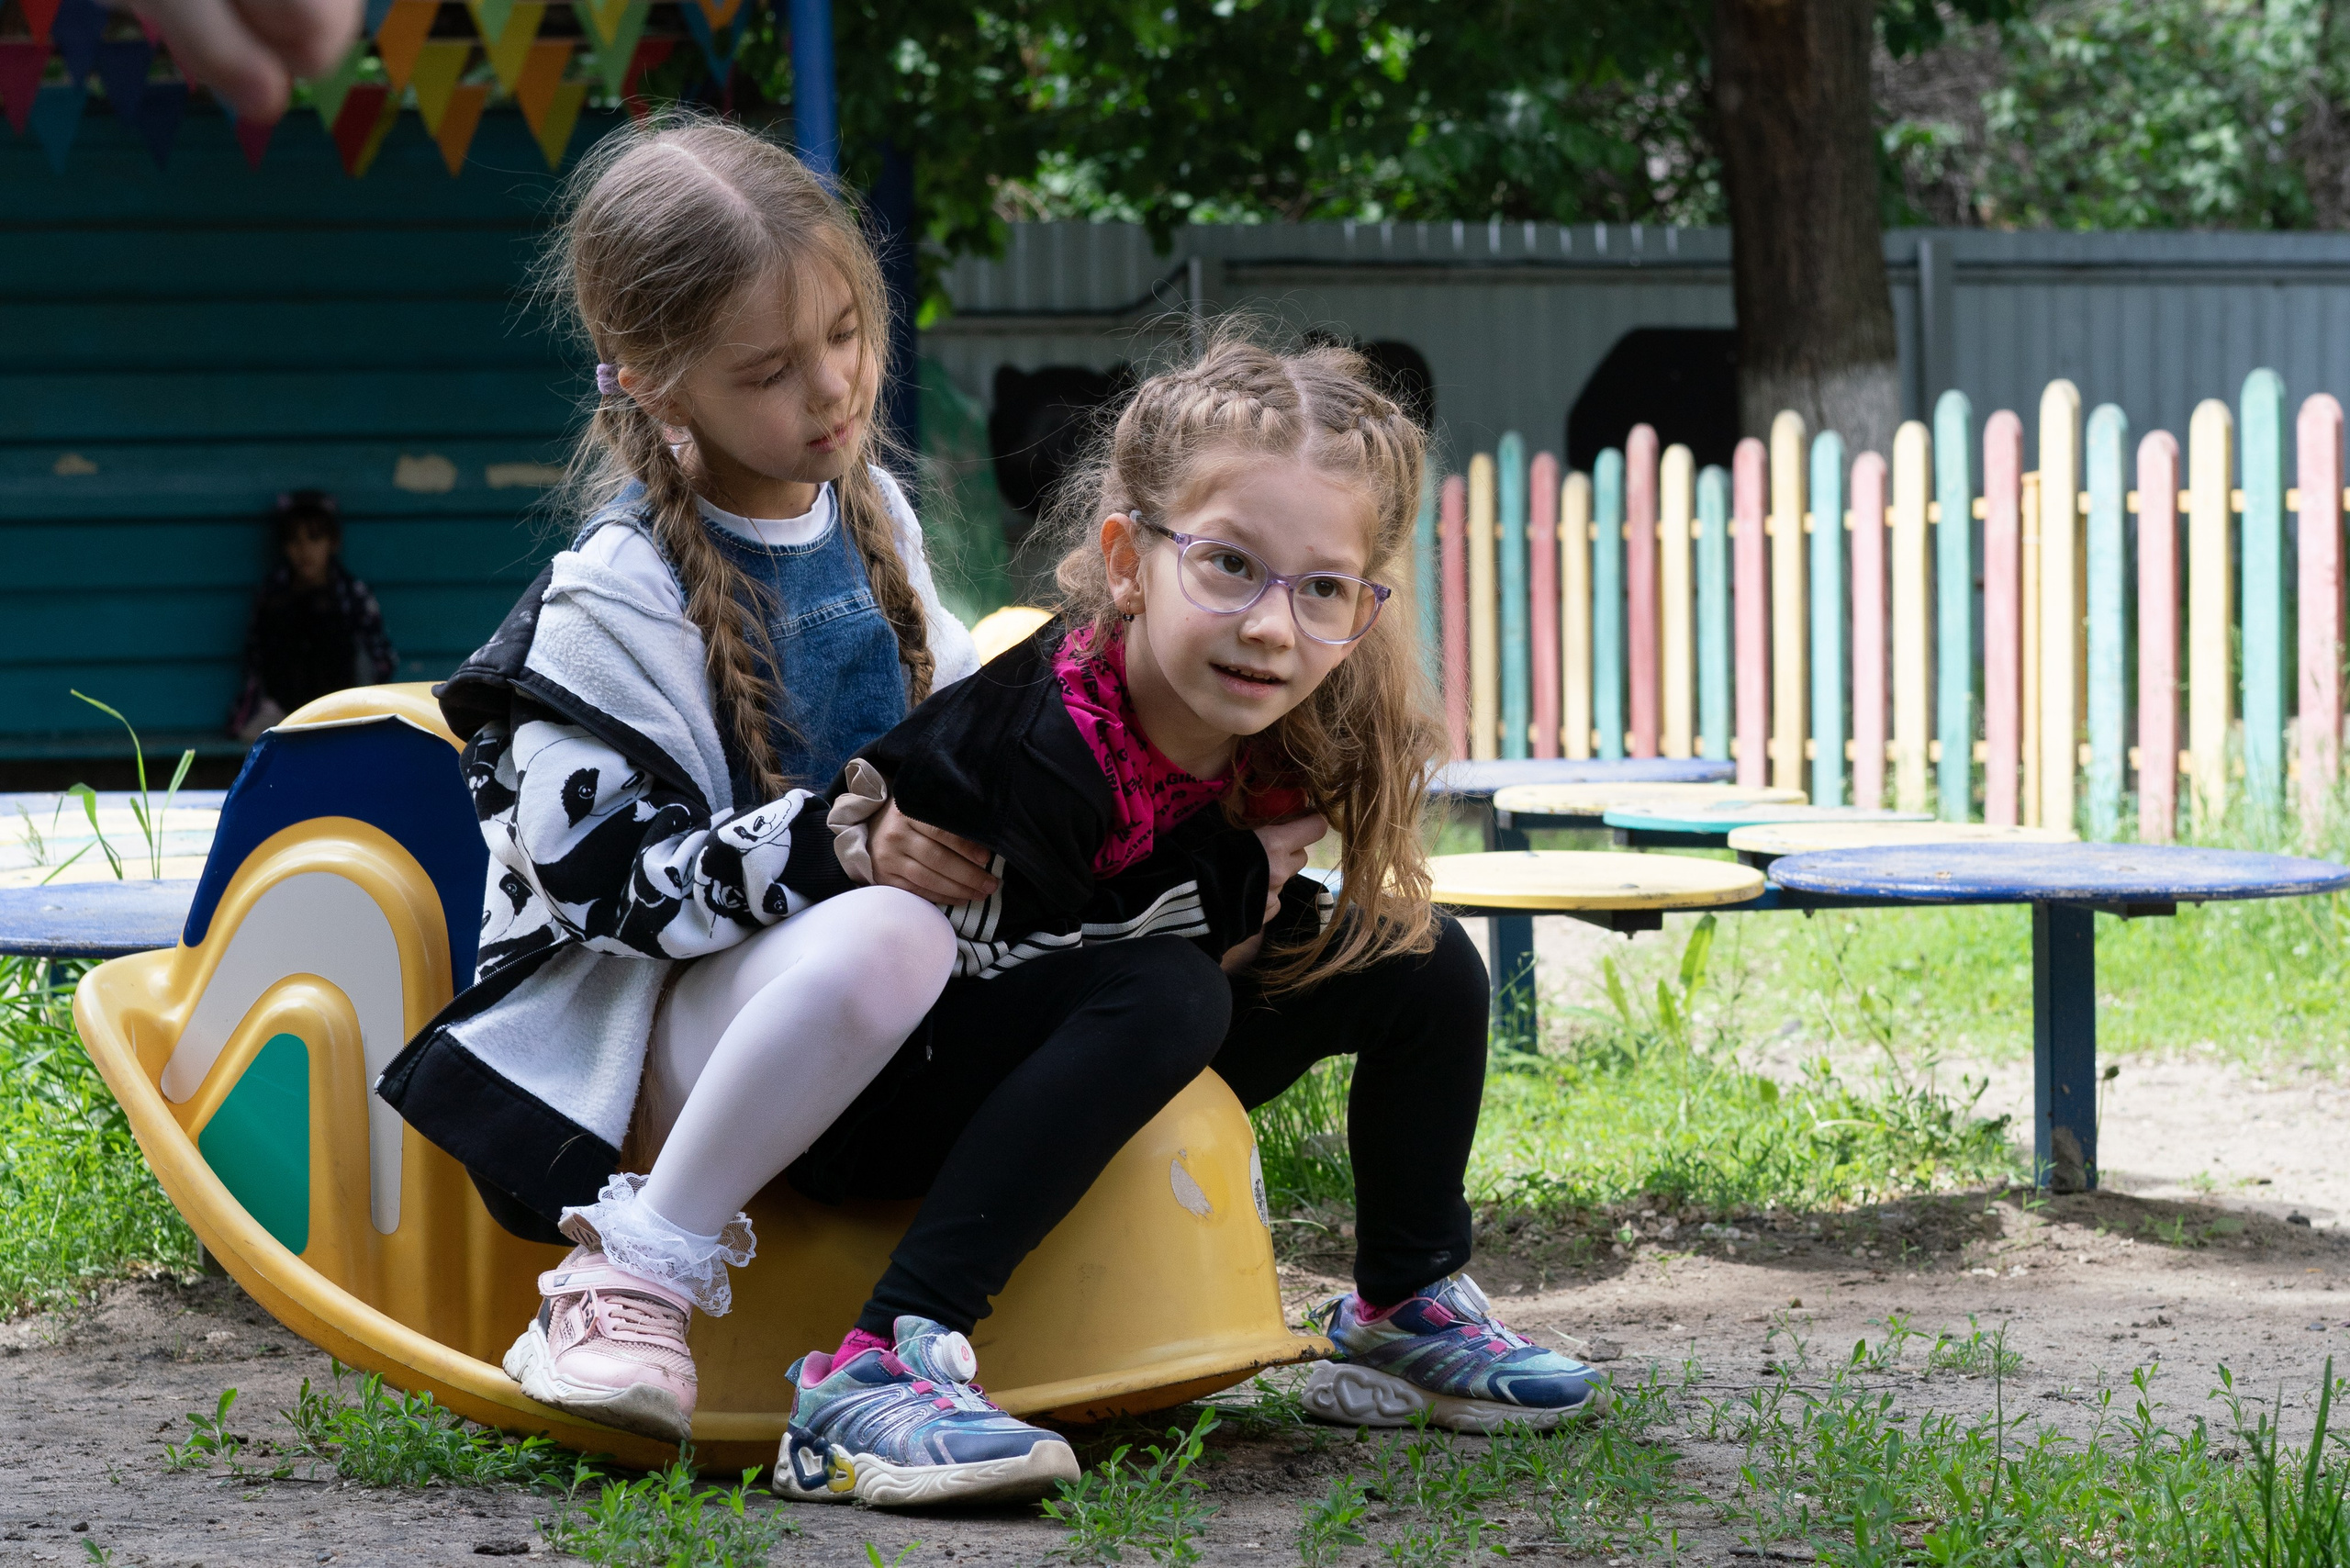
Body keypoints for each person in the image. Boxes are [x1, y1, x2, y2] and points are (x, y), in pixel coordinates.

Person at [767, 335, 1607, 1512]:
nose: (1272, 626)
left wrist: (1239, 904)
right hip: (882, 1098)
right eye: (1229, 566)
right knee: (1172, 988)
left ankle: (1398, 1305)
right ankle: (879, 1362)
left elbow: (1186, 952)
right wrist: (1222, 890)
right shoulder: (1039, 744)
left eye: (1320, 588)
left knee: (1416, 959)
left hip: (1090, 1035)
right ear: (1129, 559)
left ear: (1361, 608)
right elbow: (996, 962)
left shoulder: (1284, 730)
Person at [376, 116, 990, 1447]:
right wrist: (846, 848)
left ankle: (935, 1318)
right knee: (887, 925)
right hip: (642, 1048)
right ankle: (626, 1275)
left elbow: (954, 733)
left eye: (846, 332)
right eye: (771, 368)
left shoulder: (879, 515)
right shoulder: (612, 598)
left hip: (838, 1006)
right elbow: (615, 892)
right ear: (656, 382)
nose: (832, 388)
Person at [228, 488, 398, 742]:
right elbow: (256, 660)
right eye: (294, 541)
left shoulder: (352, 594)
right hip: (282, 711)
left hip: (344, 707)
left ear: (333, 542)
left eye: (314, 538)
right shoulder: (272, 595)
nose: (304, 549)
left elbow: (382, 660)